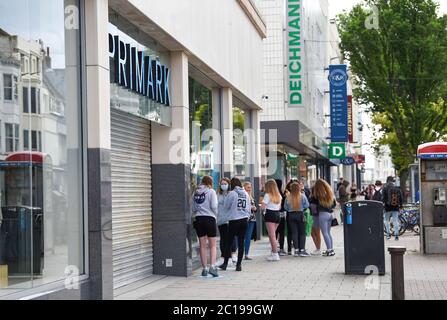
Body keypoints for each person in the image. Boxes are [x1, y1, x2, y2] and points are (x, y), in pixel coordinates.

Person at [219, 178, 250, 272]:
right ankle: (239, 265)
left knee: (228, 242)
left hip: (234, 220)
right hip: (244, 220)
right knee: (241, 243)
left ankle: (225, 264)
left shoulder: (232, 193)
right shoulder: (245, 193)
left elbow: (226, 206)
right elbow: (248, 207)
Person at [192, 176, 219, 277]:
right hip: (210, 219)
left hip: (199, 219)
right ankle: (212, 266)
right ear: (210, 182)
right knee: (212, 245)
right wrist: (216, 215)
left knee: (202, 245)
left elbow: (193, 208)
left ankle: (204, 269)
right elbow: (214, 206)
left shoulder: (195, 192)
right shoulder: (211, 191)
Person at [310, 179, 337, 256]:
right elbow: (334, 204)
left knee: (324, 233)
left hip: (322, 215)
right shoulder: (330, 193)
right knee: (328, 233)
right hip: (329, 214)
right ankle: (331, 249)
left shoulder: (317, 195)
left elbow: (312, 204)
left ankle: (329, 250)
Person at [285, 182, 310, 257]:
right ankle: (302, 250)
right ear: (299, 188)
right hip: (300, 214)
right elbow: (307, 205)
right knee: (302, 233)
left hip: (291, 215)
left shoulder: (288, 197)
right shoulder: (302, 196)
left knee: (294, 233)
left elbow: (285, 207)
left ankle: (296, 250)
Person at [261, 179, 283, 261]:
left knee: (272, 236)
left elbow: (263, 207)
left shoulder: (267, 195)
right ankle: (273, 252)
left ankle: (275, 254)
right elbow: (280, 207)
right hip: (277, 215)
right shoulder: (279, 196)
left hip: (270, 214)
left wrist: (263, 210)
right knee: (274, 236)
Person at [382, 176, 403, 240]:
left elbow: (383, 198)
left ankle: (388, 234)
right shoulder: (397, 188)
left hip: (387, 206)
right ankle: (396, 235)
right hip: (395, 206)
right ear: (392, 181)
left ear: (387, 180)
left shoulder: (385, 187)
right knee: (395, 220)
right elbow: (401, 197)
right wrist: (401, 205)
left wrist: (383, 204)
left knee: (386, 220)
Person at [216, 178, 232, 266]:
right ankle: (224, 257)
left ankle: (227, 257)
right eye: (222, 183)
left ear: (229, 184)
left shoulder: (231, 194)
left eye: (225, 183)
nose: (223, 185)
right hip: (221, 219)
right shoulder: (218, 194)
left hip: (229, 220)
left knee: (228, 240)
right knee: (223, 239)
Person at [274, 179, 290, 256]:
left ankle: (274, 248)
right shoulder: (283, 194)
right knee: (282, 232)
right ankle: (281, 248)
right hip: (282, 214)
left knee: (275, 232)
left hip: (275, 214)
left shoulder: (273, 194)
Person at [243, 182, 257, 260]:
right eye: (248, 187)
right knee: (242, 236)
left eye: (250, 187)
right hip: (244, 218)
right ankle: (240, 253)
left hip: (252, 219)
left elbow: (255, 207)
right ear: (244, 188)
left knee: (248, 237)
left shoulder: (251, 196)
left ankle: (246, 254)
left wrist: (255, 208)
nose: (249, 189)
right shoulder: (243, 196)